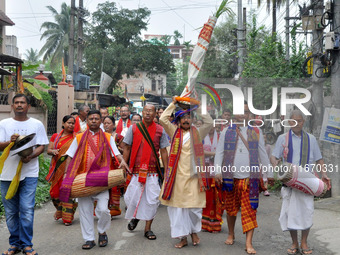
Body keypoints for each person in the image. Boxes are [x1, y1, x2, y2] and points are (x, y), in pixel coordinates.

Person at [60, 110, 129, 250]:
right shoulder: (79, 137)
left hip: (102, 180)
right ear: (88, 120)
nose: (93, 121)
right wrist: (67, 173)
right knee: (85, 211)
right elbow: (70, 156)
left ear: (101, 121)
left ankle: (102, 231)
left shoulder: (108, 137)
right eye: (91, 118)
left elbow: (116, 153)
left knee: (103, 210)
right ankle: (89, 239)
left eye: (96, 119)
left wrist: (123, 163)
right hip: (83, 180)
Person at [270, 110, 331, 255]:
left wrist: (324, 174)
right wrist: (276, 165)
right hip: (289, 182)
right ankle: (294, 243)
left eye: (300, 120)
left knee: (306, 212)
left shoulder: (311, 139)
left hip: (307, 182)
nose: (296, 123)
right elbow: (274, 157)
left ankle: (304, 242)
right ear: (289, 122)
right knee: (290, 213)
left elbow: (319, 159)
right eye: (293, 120)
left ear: (303, 122)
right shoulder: (282, 139)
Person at [214, 101, 270, 254]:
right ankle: (231, 234)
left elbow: (263, 155)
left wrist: (269, 175)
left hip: (249, 179)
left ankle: (248, 243)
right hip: (230, 178)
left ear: (249, 115)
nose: (242, 115)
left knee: (250, 210)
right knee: (231, 209)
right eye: (239, 111)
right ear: (234, 114)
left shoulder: (256, 131)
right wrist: (217, 171)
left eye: (245, 112)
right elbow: (219, 152)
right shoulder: (227, 131)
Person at [159, 97, 213, 249]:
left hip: (195, 178)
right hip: (176, 178)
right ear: (178, 120)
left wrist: (200, 106)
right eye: (183, 117)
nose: (186, 120)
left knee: (194, 209)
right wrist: (174, 103)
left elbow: (209, 122)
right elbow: (163, 118)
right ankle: (182, 237)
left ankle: (194, 231)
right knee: (177, 210)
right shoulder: (174, 131)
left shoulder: (198, 133)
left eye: (189, 117)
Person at [0, 94, 49, 255]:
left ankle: (27, 244)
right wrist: (10, 142)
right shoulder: (4, 124)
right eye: (16, 103)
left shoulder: (36, 124)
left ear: (28, 106)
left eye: (22, 102)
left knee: (27, 209)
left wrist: (31, 156)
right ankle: (15, 243)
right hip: (7, 174)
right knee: (11, 212)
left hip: (30, 173)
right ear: (12, 106)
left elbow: (42, 145)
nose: (19, 105)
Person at [123, 104, 169, 240]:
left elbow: (164, 151)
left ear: (155, 114)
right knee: (132, 198)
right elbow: (127, 147)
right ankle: (136, 217)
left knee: (153, 200)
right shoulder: (133, 128)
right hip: (136, 171)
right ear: (142, 112)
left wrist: (167, 171)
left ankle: (148, 229)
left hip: (153, 172)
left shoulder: (160, 130)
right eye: (146, 111)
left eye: (151, 111)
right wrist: (124, 164)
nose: (148, 113)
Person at [46, 115, 77, 226]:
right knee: (54, 193)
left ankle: (67, 218)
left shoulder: (76, 137)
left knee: (67, 192)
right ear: (63, 123)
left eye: (73, 123)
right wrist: (53, 151)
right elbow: (48, 150)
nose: (71, 125)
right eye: (69, 122)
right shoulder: (55, 136)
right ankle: (60, 210)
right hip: (57, 167)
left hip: (71, 169)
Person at [103, 115, 125, 217]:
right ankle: (102, 209)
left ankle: (112, 210)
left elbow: (124, 151)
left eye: (108, 123)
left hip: (114, 165)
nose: (106, 125)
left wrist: (116, 149)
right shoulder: (100, 136)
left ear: (113, 125)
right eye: (105, 123)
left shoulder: (118, 137)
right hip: (103, 165)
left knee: (113, 187)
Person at [201, 126, 222, 233]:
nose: (210, 128)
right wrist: (215, 154)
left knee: (217, 196)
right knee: (207, 196)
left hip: (217, 171)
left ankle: (216, 222)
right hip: (205, 170)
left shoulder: (220, 137)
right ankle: (205, 223)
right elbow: (199, 152)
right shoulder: (202, 137)